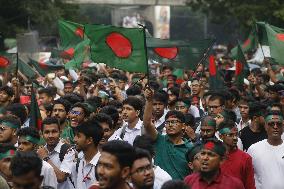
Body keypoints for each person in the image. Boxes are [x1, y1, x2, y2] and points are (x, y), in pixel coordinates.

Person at [143, 88, 192, 180]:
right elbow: (146, 123)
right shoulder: (159, 140)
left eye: (174, 122)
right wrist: (149, 101)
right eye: (168, 122)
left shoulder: (190, 148)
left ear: (183, 126)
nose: (170, 125)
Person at [247, 111, 284, 189]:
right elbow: (248, 176)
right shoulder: (254, 149)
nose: (275, 127)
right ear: (265, 126)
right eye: (271, 124)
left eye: (279, 124)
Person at [37, 117, 76, 189]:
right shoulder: (39, 152)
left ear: (60, 132)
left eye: (54, 131)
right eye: (47, 132)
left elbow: (61, 178)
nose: (50, 135)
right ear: (41, 134)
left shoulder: (68, 151)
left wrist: (46, 158)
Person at [218, 120, 255, 189]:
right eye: (230, 135)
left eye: (236, 135)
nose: (235, 138)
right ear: (221, 136)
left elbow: (250, 185)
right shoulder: (215, 157)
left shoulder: (245, 158)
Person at [74, 118, 104, 189]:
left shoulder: (102, 165)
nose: (74, 139)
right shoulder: (79, 162)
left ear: (89, 140)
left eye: (78, 136)